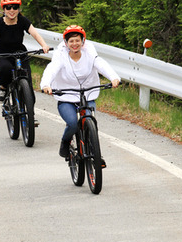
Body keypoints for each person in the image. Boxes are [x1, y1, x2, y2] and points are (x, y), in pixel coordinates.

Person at [40, 25, 121, 158]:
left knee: (90, 122)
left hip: (87, 95)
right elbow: (52, 69)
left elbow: (101, 65)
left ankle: (95, 154)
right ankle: (65, 141)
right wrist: (46, 84)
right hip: (66, 97)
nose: (75, 44)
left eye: (77, 40)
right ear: (66, 43)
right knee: (72, 124)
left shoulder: (90, 54)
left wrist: (114, 78)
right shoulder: (61, 57)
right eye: (71, 41)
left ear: (83, 41)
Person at [0, 0, 50, 101]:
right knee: (6, 69)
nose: (12, 10)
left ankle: (28, 109)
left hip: (20, 54)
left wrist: (44, 45)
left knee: (27, 83)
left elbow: (35, 34)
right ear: (3, 9)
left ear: (18, 9)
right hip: (3, 55)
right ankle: (4, 87)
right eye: (8, 7)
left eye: (15, 7)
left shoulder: (23, 21)